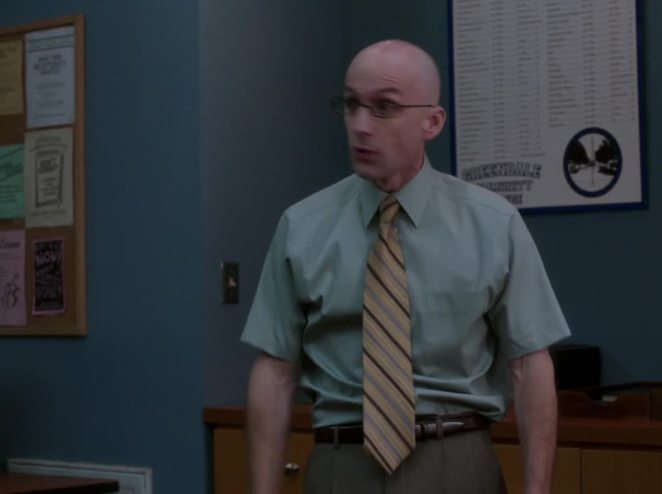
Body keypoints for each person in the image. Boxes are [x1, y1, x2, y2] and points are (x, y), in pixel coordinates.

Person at [242, 39, 570, 494]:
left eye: (384, 108)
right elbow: (275, 373)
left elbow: (530, 366)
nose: (361, 126)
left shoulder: (493, 224)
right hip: (342, 462)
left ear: (432, 122)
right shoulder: (302, 227)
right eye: (351, 105)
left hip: (456, 458)